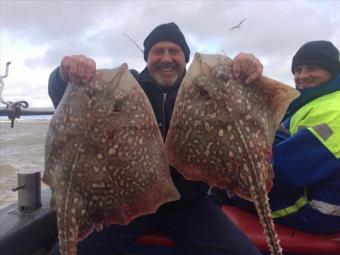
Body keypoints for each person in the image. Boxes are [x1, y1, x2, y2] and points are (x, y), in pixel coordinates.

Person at [47, 22, 264, 255]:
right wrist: (65, 73)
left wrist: (247, 67)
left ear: (185, 58)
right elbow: (65, 97)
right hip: (128, 206)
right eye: (158, 51)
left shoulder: (206, 91)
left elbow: (247, 104)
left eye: (174, 51)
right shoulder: (121, 89)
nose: (166, 58)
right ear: (147, 57)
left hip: (190, 205)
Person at [231, 40, 340, 235]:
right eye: (298, 70)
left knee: (220, 192)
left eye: (312, 68)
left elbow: (284, 169)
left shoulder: (335, 112)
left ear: (332, 71)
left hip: (317, 211)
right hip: (302, 186)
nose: (302, 76)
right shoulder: (311, 102)